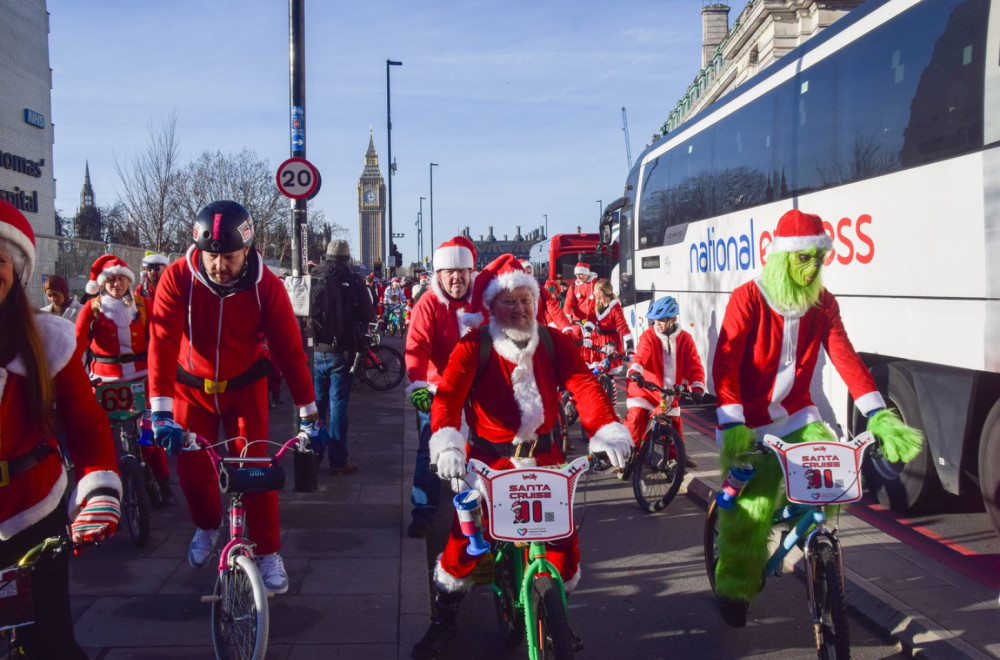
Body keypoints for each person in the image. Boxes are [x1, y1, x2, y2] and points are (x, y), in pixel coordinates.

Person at [412, 253, 633, 659]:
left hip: (546, 457)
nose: (519, 309)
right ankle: (444, 619)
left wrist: (604, 428)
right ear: (491, 306)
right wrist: (446, 443)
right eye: (509, 301)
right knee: (463, 541)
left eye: (526, 300)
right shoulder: (472, 346)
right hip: (489, 461)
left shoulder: (553, 342)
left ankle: (556, 615)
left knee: (563, 540)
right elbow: (447, 397)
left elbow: (583, 384)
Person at [711, 209, 923, 627]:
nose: (812, 269)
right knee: (750, 513)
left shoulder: (823, 304)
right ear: (782, 259)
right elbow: (726, 363)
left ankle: (815, 552)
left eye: (818, 259)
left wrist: (877, 415)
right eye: (802, 259)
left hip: (796, 415)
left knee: (825, 483)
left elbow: (845, 356)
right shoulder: (748, 298)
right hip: (749, 423)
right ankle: (734, 585)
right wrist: (732, 421)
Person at [146, 200, 319, 595]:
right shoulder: (177, 278)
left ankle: (268, 550)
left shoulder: (266, 286)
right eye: (211, 256)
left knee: (256, 468)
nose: (219, 266)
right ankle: (207, 526)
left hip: (245, 388)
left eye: (229, 257)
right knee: (192, 472)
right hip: (190, 387)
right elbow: (161, 341)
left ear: (248, 251)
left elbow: (289, 350)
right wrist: (160, 411)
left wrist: (309, 411)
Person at [0, 199, 121, 659]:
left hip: (34, 509)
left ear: (18, 270)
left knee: (49, 643)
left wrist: (99, 489)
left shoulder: (47, 340)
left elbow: (85, 420)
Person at [75, 254, 177, 507]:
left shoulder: (142, 306)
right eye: (110, 280)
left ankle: (164, 484)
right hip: (104, 383)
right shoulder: (92, 308)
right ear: (102, 283)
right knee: (102, 442)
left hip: (141, 381)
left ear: (128, 281)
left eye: (120, 279)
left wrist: (162, 375)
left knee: (150, 440)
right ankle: (104, 496)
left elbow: (157, 342)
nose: (116, 284)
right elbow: (76, 344)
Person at [404, 236, 481, 538]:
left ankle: (482, 506)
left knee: (485, 446)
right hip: (440, 389)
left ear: (470, 272)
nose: (456, 277)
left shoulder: (482, 300)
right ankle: (423, 511)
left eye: (462, 270)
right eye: (449, 271)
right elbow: (416, 347)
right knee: (429, 450)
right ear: (438, 274)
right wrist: (418, 384)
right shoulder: (429, 303)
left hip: (477, 389)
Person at [309, 238, 375, 476]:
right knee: (338, 407)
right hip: (341, 353)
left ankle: (311, 456)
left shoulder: (313, 276)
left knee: (315, 407)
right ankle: (338, 461)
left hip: (315, 350)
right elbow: (368, 313)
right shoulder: (353, 279)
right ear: (347, 258)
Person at [624, 296, 705, 469]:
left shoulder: (685, 339)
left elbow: (694, 366)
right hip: (645, 388)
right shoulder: (649, 336)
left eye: (661, 320)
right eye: (655, 320)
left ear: (673, 319)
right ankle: (626, 455)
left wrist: (697, 386)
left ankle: (677, 456)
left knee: (675, 425)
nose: (657, 323)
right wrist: (635, 371)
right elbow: (641, 356)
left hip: (668, 393)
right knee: (636, 418)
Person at [581, 279, 634, 371]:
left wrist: (630, 348)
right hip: (596, 340)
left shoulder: (615, 307)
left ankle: (610, 385)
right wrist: (587, 335)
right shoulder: (595, 303)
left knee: (609, 374)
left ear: (601, 292)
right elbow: (591, 319)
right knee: (594, 371)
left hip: (611, 341)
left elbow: (623, 326)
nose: (593, 293)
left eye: (595, 290)